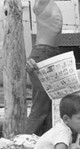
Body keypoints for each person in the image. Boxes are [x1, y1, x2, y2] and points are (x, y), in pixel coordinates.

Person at [25, 0, 63, 136]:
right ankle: (24, 142)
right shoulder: (42, 3)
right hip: (43, 53)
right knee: (40, 107)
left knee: (51, 108)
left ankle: (43, 142)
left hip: (50, 52)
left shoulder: (49, 4)